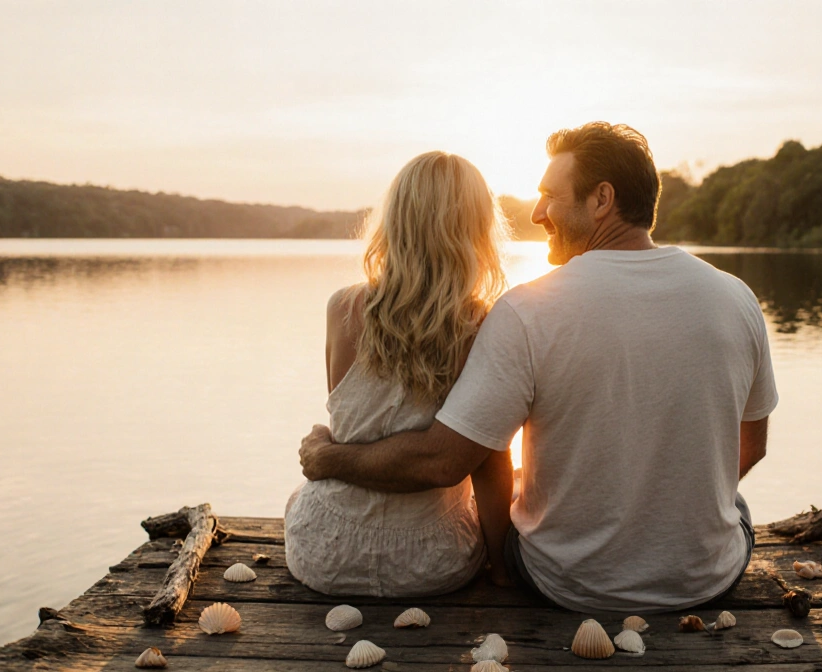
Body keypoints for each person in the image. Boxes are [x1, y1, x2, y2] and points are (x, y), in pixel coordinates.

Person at [300, 122, 777, 612]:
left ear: (601, 199)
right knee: (731, 506)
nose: (536, 213)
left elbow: (445, 461)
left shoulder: (528, 311)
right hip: (704, 579)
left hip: (565, 583)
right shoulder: (736, 298)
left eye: (550, 195)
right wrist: (668, 504)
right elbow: (751, 446)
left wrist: (327, 458)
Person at [284, 151, 516, 596]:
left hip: (325, 552)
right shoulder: (482, 325)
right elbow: (489, 462)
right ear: (476, 230)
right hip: (430, 561)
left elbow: (351, 430)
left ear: (394, 219)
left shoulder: (342, 308)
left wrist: (325, 455)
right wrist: (501, 569)